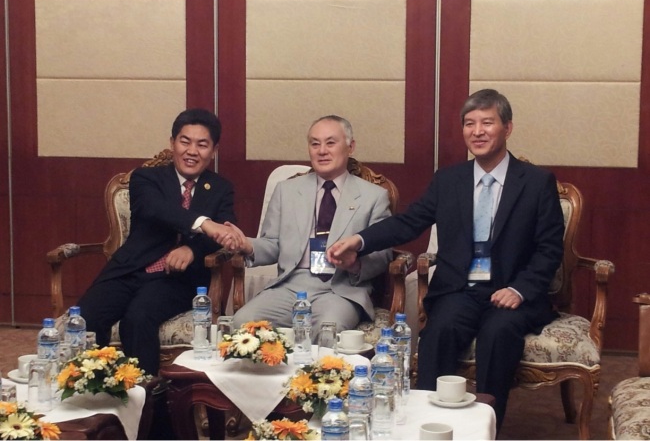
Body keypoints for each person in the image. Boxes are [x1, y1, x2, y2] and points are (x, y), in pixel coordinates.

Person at [327, 89, 565, 429]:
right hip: (460, 290)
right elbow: (408, 222)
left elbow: (549, 248)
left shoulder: (537, 182)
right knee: (439, 330)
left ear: (507, 128)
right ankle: (426, 425)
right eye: (470, 123)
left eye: (487, 122)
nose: (477, 131)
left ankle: (486, 426)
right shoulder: (449, 180)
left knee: (499, 334)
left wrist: (520, 289)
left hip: (512, 293)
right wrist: (359, 239)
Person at [77, 108, 237, 374]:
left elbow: (224, 232)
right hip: (130, 270)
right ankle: (93, 391)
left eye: (202, 144)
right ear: (172, 143)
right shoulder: (146, 178)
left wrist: (192, 249)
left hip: (176, 280)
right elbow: (157, 209)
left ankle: (149, 405)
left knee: (138, 319)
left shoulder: (220, 188)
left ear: (214, 151)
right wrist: (203, 224)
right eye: (185, 141)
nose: (192, 151)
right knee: (85, 318)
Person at [224, 115, 393, 336]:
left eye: (330, 143)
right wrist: (246, 244)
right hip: (290, 285)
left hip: (340, 289)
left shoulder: (374, 196)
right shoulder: (287, 191)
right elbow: (272, 244)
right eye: (315, 143)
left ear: (350, 147)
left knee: (327, 329)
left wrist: (355, 264)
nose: (322, 150)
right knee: (243, 323)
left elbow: (384, 254)